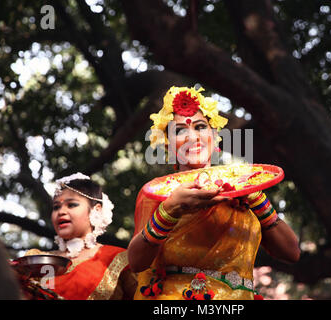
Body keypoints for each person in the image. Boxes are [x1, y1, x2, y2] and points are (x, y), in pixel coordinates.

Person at [128, 86, 300, 300]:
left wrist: (254, 196)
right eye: (180, 131)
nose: (193, 137)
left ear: (214, 134)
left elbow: (291, 252)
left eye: (200, 127)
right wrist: (170, 211)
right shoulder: (160, 191)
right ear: (168, 145)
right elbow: (136, 263)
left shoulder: (242, 187)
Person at [17, 173, 136, 300]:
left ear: (96, 210)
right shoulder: (35, 262)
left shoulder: (118, 259)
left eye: (72, 204)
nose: (61, 212)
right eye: (56, 207)